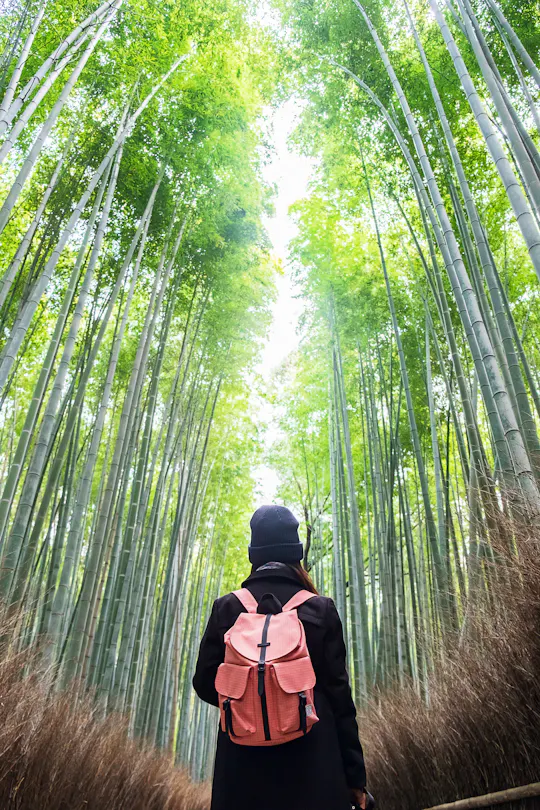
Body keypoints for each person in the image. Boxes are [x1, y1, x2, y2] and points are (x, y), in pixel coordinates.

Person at [193, 504, 368, 810]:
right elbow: (341, 703)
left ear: (254, 553)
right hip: (315, 772)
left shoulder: (228, 609)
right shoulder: (320, 610)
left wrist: (246, 701)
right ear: (296, 552)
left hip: (241, 776)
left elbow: (205, 683)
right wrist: (355, 779)